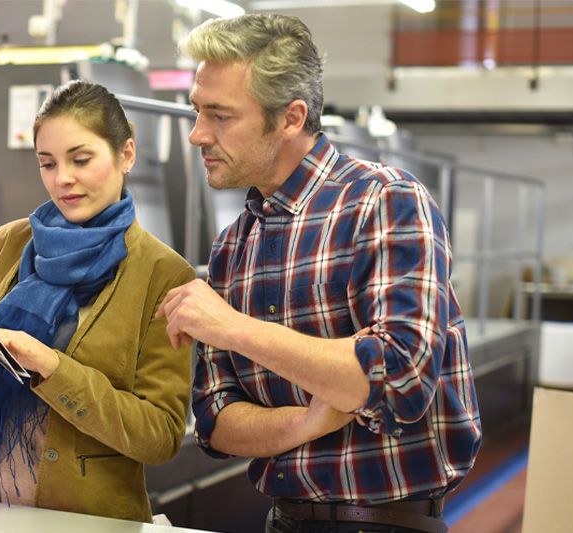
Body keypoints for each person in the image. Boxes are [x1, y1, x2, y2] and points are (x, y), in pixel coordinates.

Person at [156, 14, 481, 533]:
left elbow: (397, 377)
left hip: (387, 523)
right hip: (282, 520)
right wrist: (309, 420)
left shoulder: (384, 200)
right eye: (197, 111)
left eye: (219, 115)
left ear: (290, 117)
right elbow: (216, 421)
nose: (197, 135)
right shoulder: (233, 245)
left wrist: (231, 328)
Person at [0, 79, 195, 523]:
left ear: (126, 155)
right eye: (47, 163)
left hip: (88, 518)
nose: (62, 179)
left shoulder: (163, 273)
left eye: (80, 159)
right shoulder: (11, 243)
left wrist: (53, 368)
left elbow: (161, 435)